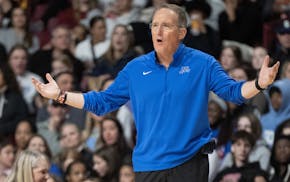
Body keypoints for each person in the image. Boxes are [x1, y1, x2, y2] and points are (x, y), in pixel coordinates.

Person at [32, 3, 280, 181]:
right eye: (154, 25)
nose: (158, 31)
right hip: (147, 165)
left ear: (182, 33)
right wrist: (61, 96)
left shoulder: (202, 63)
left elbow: (233, 92)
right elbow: (102, 102)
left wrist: (258, 84)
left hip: (189, 163)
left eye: (166, 26)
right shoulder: (135, 68)